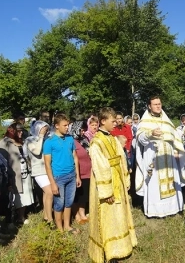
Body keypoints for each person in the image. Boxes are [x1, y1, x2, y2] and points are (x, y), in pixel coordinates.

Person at [88, 107, 137, 262]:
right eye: (112, 121)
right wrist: (107, 191)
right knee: (108, 216)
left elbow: (121, 157)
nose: (115, 123)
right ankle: (109, 251)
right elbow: (100, 168)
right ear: (103, 121)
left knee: (118, 213)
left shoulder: (112, 137)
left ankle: (121, 246)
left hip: (118, 179)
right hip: (106, 184)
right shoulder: (97, 142)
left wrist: (125, 178)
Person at [135, 96, 185, 218]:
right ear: (149, 106)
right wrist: (150, 133)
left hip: (168, 156)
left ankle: (172, 208)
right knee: (154, 183)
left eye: (159, 104)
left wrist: (176, 150)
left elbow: (175, 136)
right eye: (155, 104)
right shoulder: (145, 120)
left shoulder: (166, 119)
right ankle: (156, 211)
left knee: (171, 179)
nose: (158, 106)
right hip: (153, 155)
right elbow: (140, 138)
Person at [43, 114, 81, 233]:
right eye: (65, 125)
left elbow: (75, 157)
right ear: (57, 126)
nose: (67, 127)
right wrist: (52, 183)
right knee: (59, 204)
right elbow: (47, 164)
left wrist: (77, 176)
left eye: (68, 125)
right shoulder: (49, 142)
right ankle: (60, 230)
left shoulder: (70, 139)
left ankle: (67, 226)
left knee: (69, 202)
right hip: (59, 177)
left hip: (71, 175)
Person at [0, 123, 34, 225]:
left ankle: (21, 217)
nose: (21, 133)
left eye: (22, 130)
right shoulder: (4, 142)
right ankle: (11, 219)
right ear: (12, 131)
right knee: (15, 196)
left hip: (25, 173)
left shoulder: (20, 141)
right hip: (13, 175)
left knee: (25, 195)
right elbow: (2, 160)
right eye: (18, 131)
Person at [23, 121, 55, 229]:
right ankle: (50, 220)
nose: (46, 131)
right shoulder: (29, 140)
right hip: (38, 171)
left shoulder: (47, 139)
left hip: (48, 170)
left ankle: (46, 216)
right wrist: (40, 136)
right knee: (50, 193)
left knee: (46, 194)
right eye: (43, 129)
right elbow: (37, 151)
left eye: (46, 129)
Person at [71, 121, 91, 225]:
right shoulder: (71, 141)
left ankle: (82, 213)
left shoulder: (85, 140)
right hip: (78, 173)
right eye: (81, 130)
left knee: (84, 195)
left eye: (84, 129)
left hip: (88, 172)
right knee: (76, 196)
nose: (83, 132)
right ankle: (77, 215)